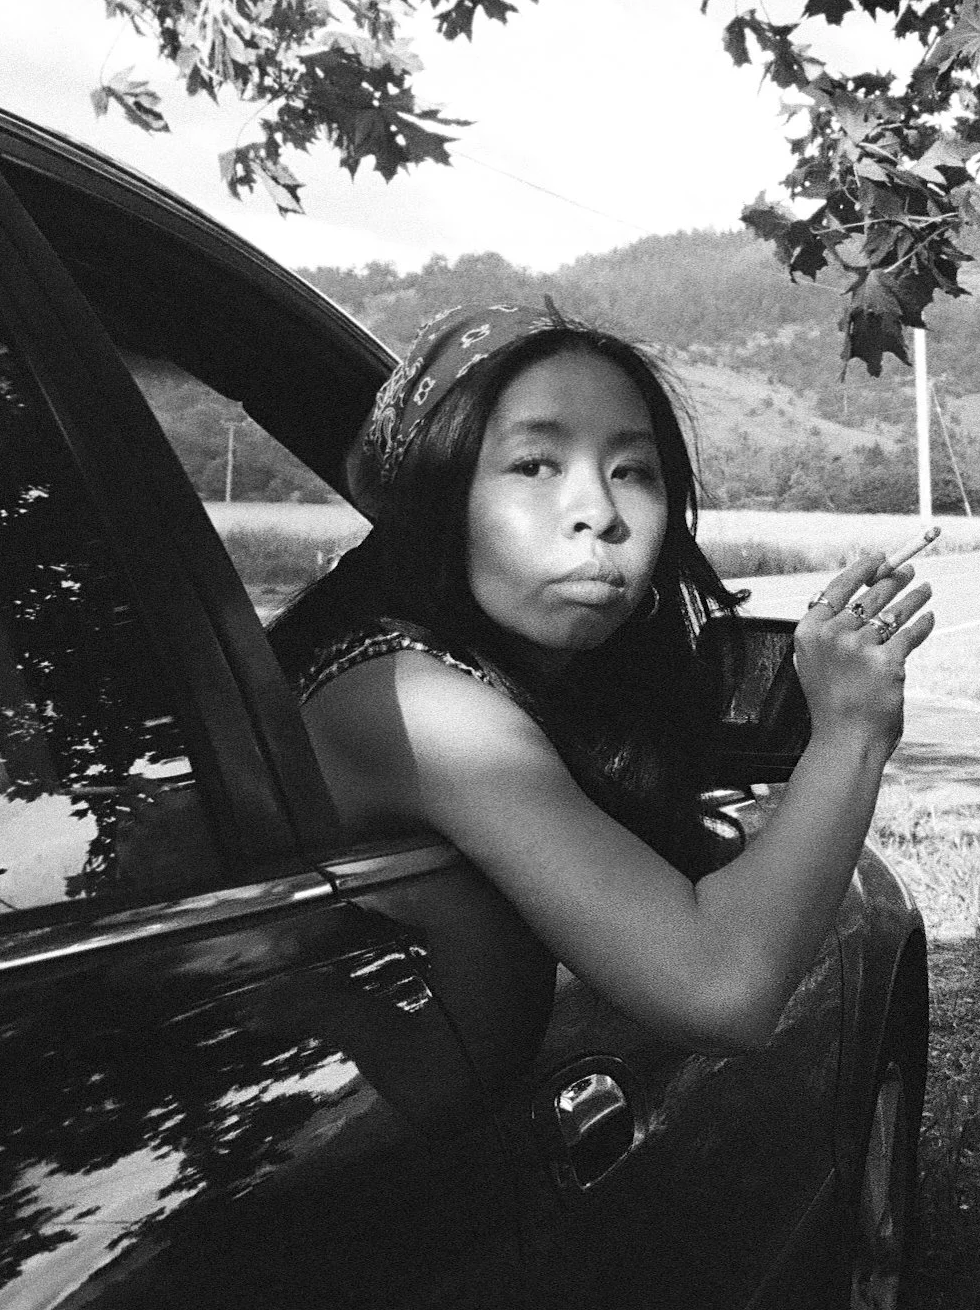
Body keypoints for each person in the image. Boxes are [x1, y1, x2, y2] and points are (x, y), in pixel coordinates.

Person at [271, 305, 933, 1053]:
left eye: (632, 471)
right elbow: (720, 986)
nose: (599, 512)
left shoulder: (504, 685)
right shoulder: (409, 701)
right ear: (437, 498)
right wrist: (850, 734)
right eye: (534, 465)